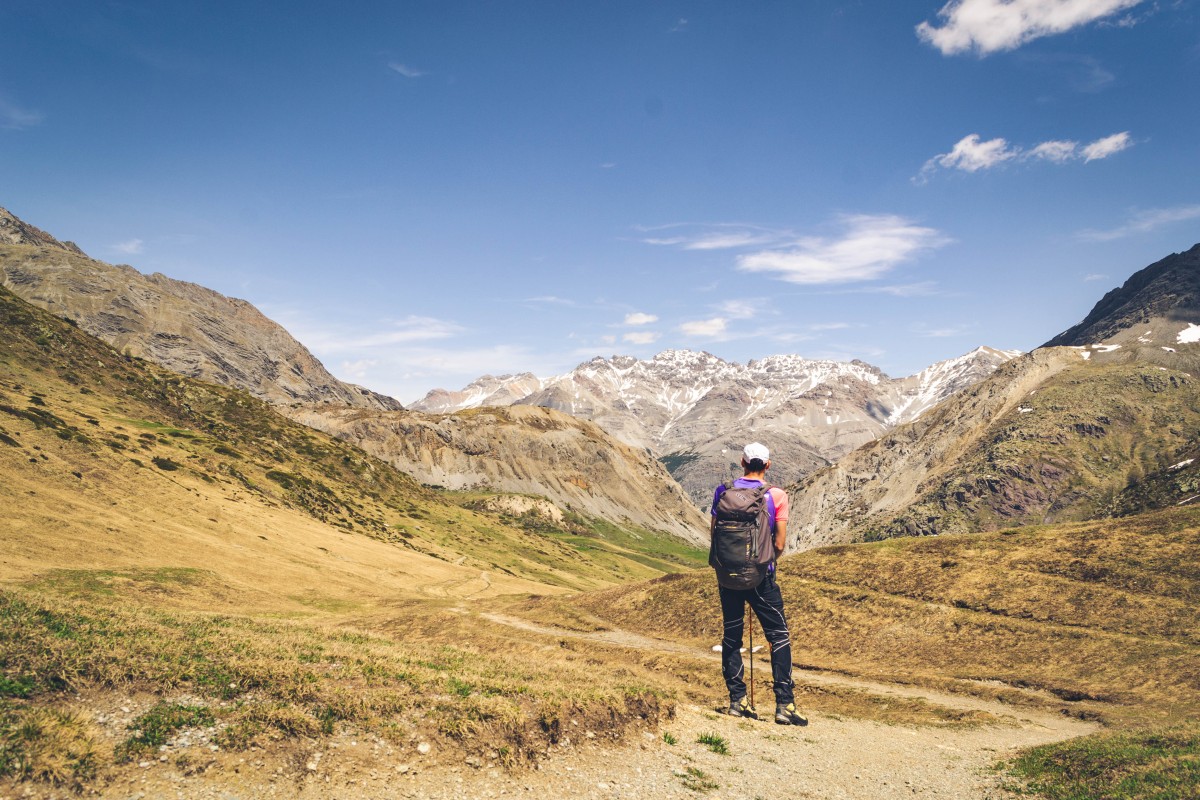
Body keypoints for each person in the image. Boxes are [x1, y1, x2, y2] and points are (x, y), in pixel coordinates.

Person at [711, 442, 808, 726]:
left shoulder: (722, 491)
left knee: (732, 636)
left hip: (727, 575)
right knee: (778, 636)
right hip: (761, 576)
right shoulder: (775, 495)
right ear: (767, 465)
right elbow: (779, 542)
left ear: (742, 462)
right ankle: (784, 705)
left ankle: (737, 702)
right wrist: (766, 562)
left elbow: (715, 533)